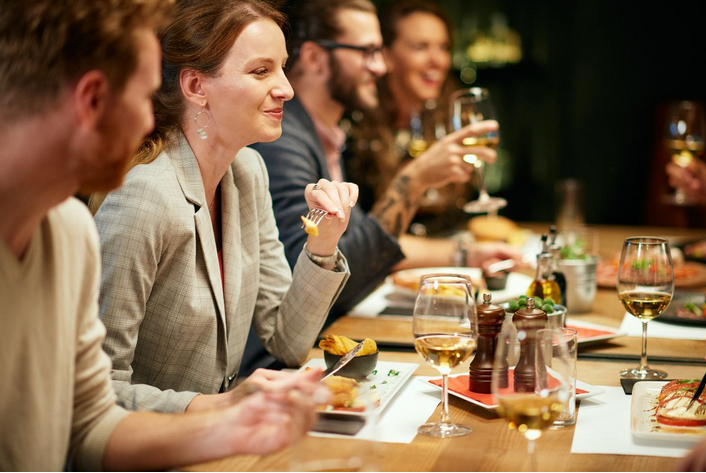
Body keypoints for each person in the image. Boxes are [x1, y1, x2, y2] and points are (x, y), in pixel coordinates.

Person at [0, 0, 327, 470]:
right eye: (144, 96)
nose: (150, 122)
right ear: (92, 100)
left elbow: (91, 422)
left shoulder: (67, 233)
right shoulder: (142, 193)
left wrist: (232, 419)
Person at [90, 0, 355, 414]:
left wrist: (324, 243)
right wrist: (221, 407)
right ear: (196, 87)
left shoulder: (247, 171)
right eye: (261, 71)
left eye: (283, 67)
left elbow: (287, 341)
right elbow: (98, 391)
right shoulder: (143, 196)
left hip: (215, 440)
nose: (286, 88)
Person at [251, 0, 519, 321]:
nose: (381, 66)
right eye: (367, 52)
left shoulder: (329, 136)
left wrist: (464, 253)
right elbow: (313, 285)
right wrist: (414, 181)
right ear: (314, 57)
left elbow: (359, 241)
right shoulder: (283, 142)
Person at [346, 0, 470, 234]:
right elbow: (360, 240)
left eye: (443, 47)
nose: (437, 60)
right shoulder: (355, 129)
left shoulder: (450, 116)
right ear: (387, 56)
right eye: (420, 47)